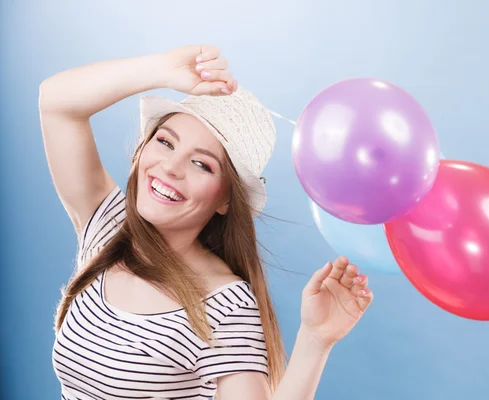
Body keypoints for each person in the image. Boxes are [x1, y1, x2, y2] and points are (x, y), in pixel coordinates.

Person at [39, 44, 374, 400]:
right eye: (166, 142)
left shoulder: (226, 306)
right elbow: (56, 104)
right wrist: (161, 69)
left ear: (226, 200)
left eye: (202, 164)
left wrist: (314, 341)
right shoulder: (108, 229)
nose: (170, 167)